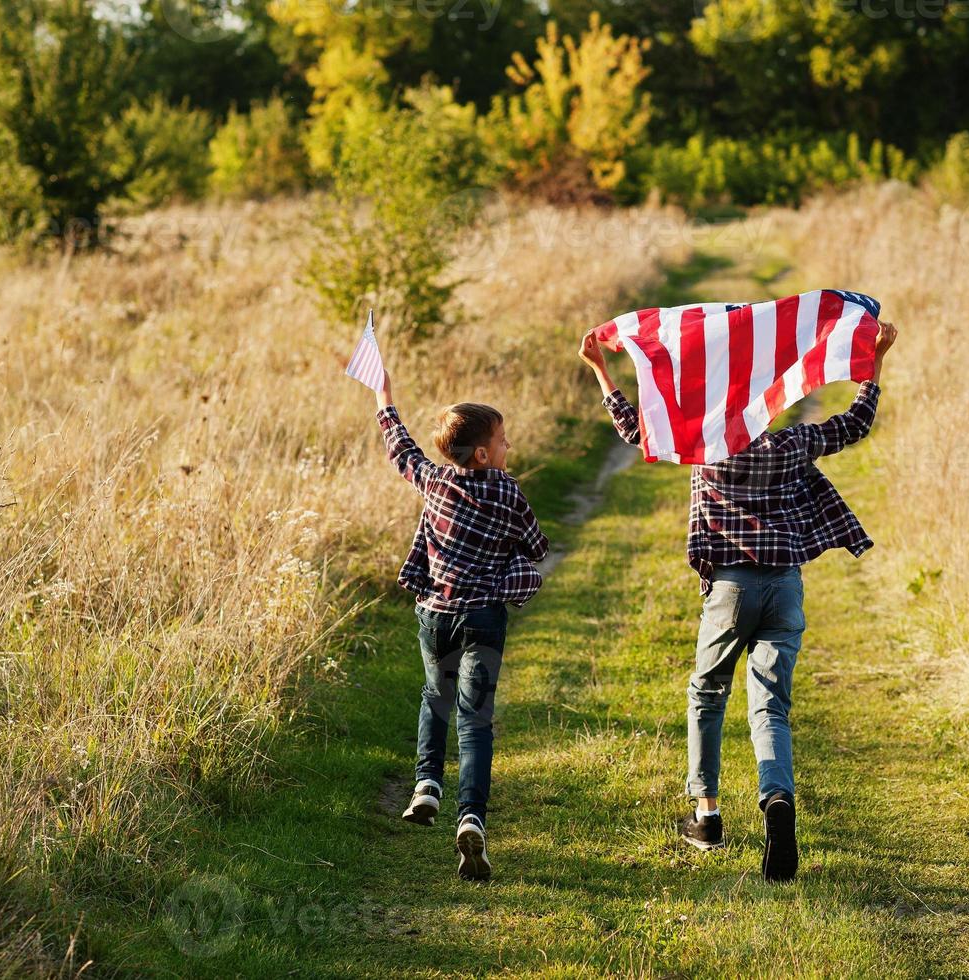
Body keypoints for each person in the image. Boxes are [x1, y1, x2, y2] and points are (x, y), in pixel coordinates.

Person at [578, 319, 897, 882]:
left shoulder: (701, 440)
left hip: (728, 588)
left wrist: (602, 370)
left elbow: (635, 430)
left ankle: (707, 816)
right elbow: (855, 424)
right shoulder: (792, 442)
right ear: (770, 403)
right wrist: (875, 363)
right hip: (784, 587)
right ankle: (777, 800)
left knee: (708, 693)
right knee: (769, 704)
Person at [368, 369, 550, 881]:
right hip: (484, 618)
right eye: (502, 439)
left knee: (434, 696)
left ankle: (427, 785)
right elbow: (537, 548)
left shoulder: (435, 480)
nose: (509, 444)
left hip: (435, 613)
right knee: (475, 718)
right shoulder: (509, 493)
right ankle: (471, 817)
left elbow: (401, 451)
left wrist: (385, 396)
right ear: (483, 455)